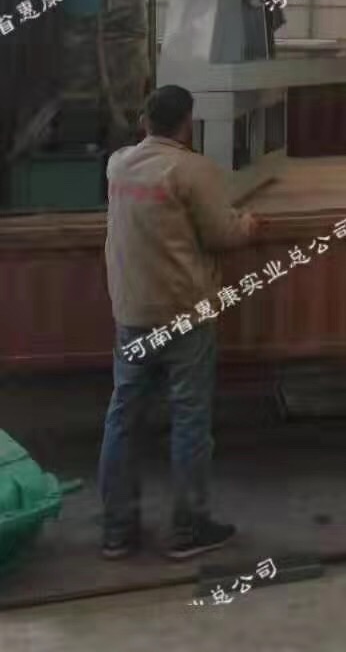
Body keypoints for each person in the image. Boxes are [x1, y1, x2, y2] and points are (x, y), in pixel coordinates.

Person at [98, 84, 258, 560]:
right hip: (185, 313)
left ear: (144, 122)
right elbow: (223, 234)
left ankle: (118, 531)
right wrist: (248, 224)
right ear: (188, 124)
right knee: (189, 419)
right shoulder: (192, 170)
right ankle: (189, 529)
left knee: (123, 418)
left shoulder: (117, 165)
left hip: (132, 314)